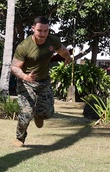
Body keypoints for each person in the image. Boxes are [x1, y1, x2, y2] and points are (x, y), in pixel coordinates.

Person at [10, 16, 74, 147]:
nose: (43, 34)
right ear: (33, 29)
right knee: (26, 113)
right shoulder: (24, 46)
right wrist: (25, 77)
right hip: (26, 82)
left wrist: (67, 57)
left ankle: (39, 115)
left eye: (46, 30)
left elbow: (62, 50)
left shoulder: (52, 40)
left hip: (44, 82)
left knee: (47, 113)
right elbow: (14, 67)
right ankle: (20, 138)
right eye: (40, 30)